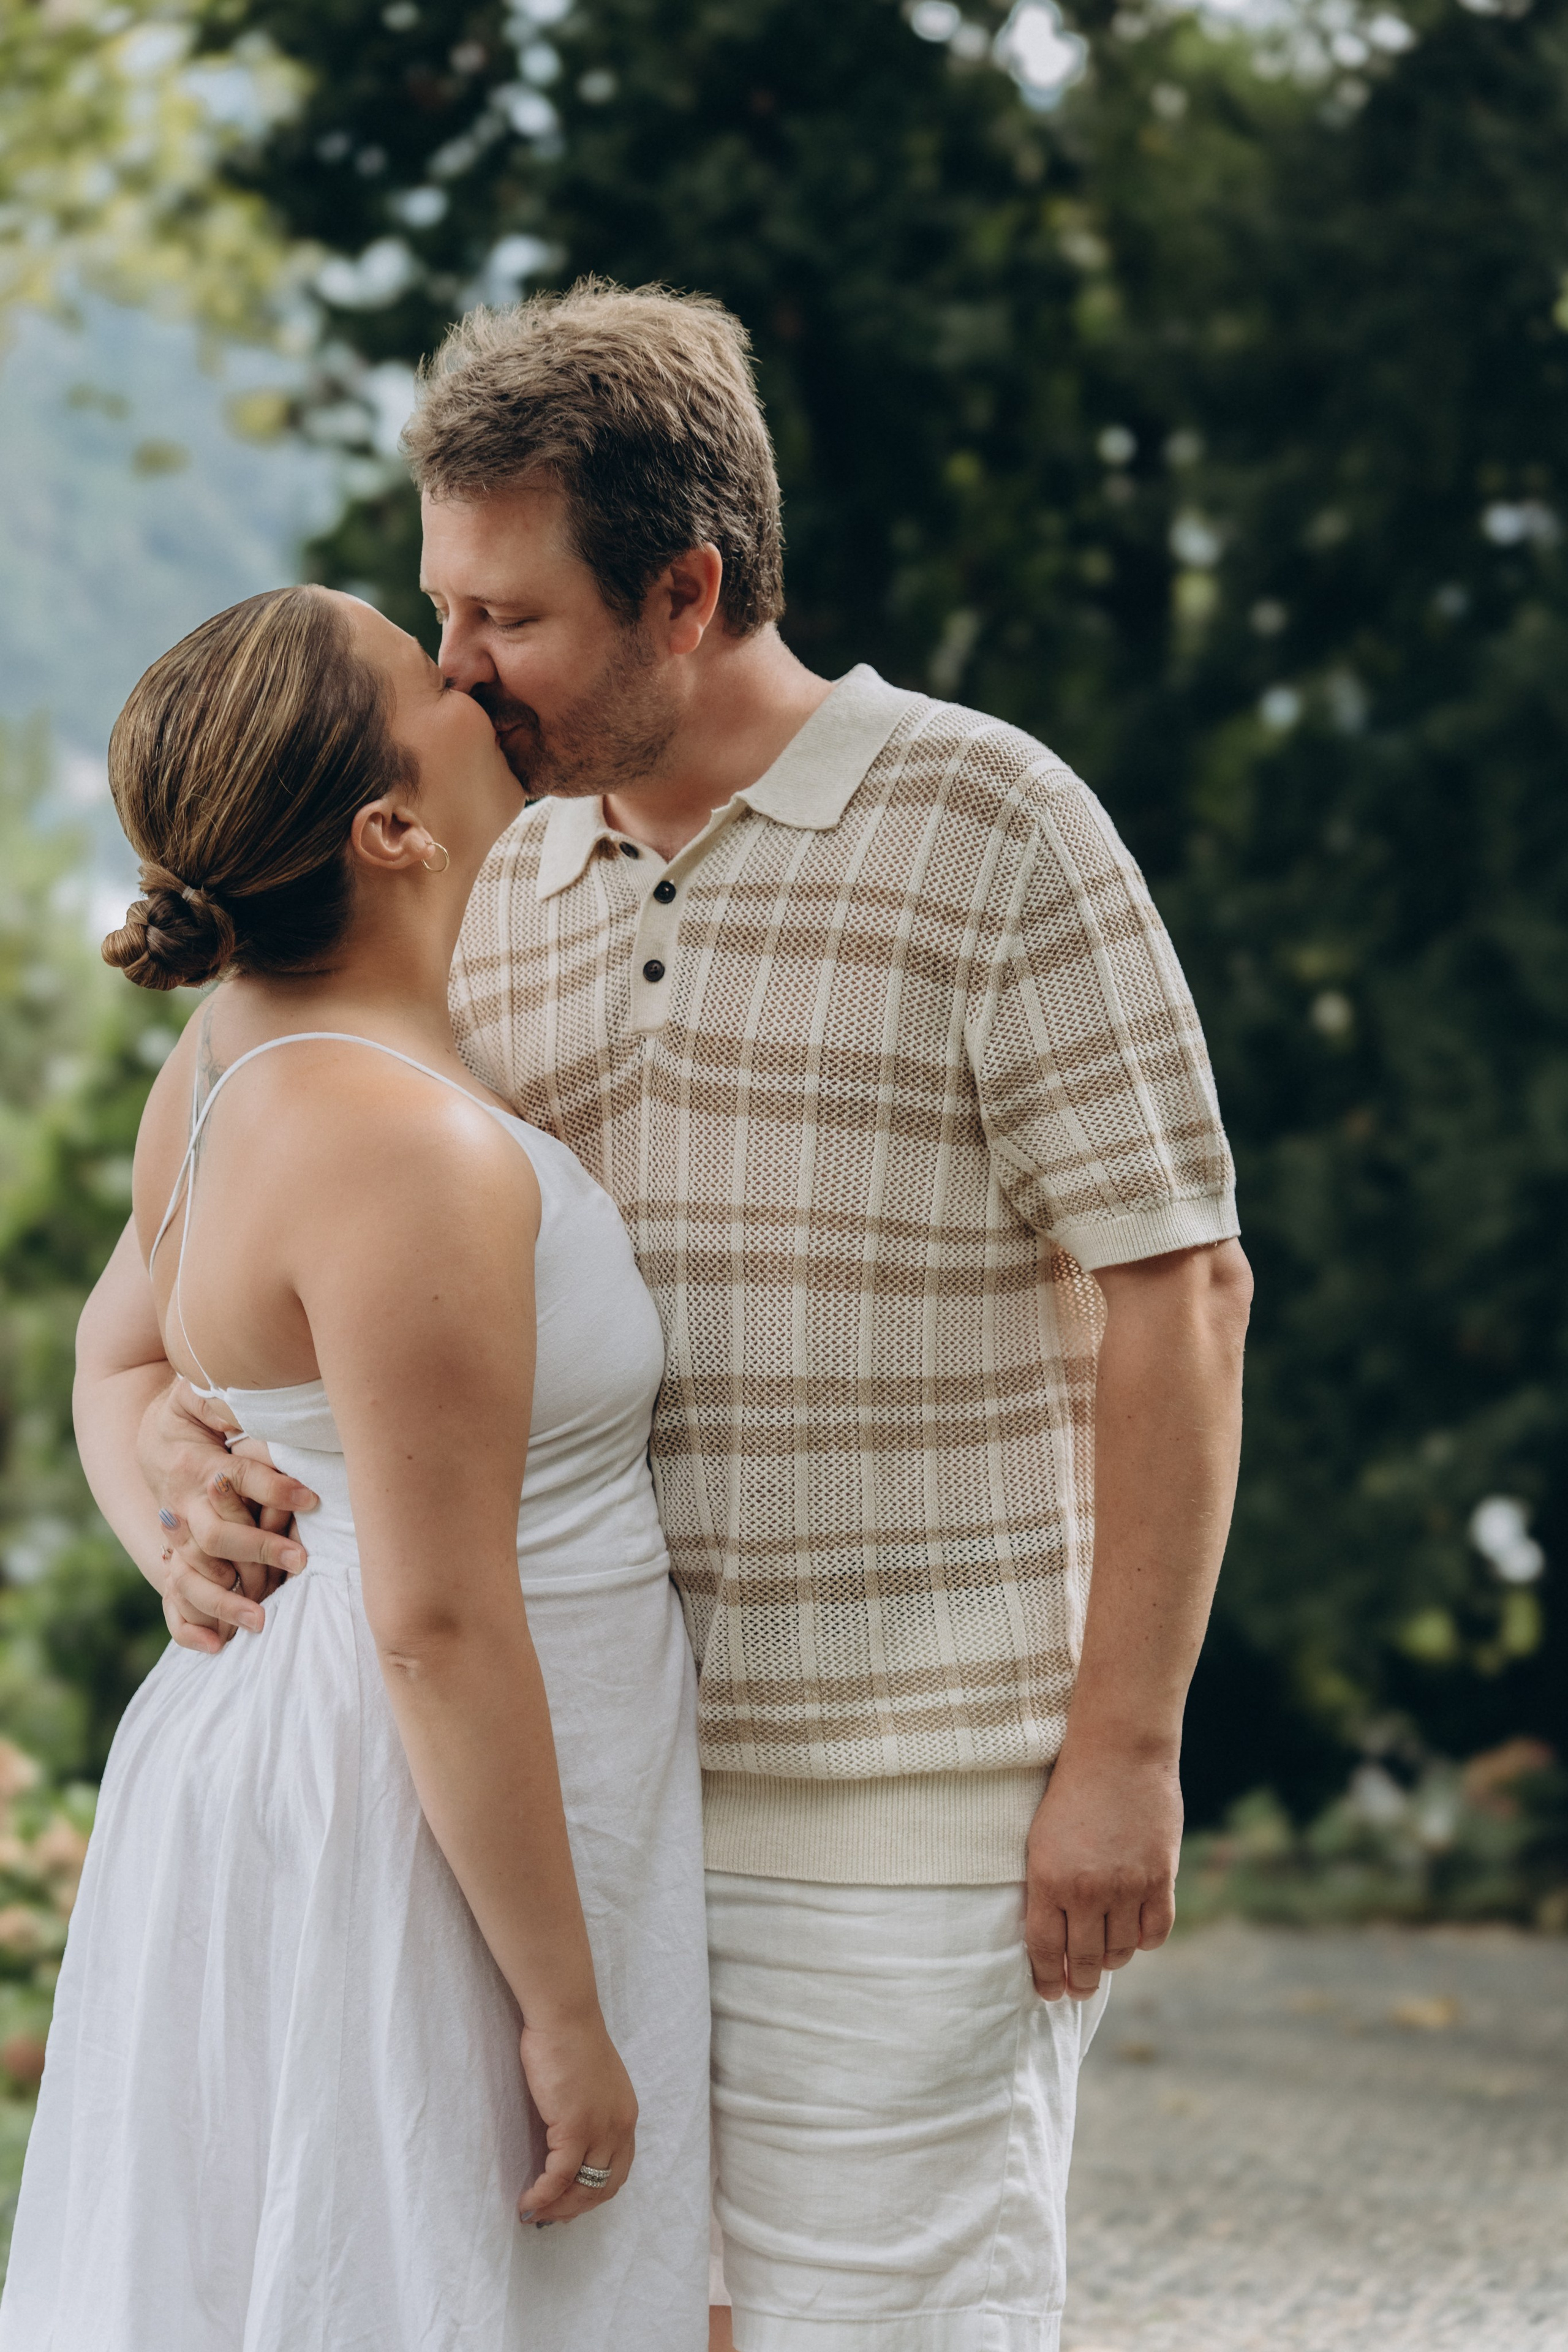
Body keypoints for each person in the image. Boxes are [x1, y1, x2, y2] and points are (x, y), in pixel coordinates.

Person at [86, 283, 1253, 2352]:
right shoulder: (484, 880)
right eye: (440, 612)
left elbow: (1183, 1285)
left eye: (504, 621)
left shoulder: (994, 829)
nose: (455, 665)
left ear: (684, 590)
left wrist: (1126, 1751)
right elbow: (175, 1319)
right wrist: (159, 1475)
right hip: (562, 1816)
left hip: (883, 1808)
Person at [3, 584, 710, 2350]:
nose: (470, 673)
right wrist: (564, 2011)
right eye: (428, 673)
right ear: (389, 828)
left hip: (277, 1763)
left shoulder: (229, 1048)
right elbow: (439, 1619)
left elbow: (117, 1355)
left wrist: (161, 1503)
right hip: (407, 1819)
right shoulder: (403, 1149)